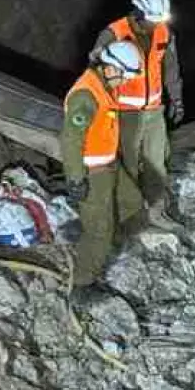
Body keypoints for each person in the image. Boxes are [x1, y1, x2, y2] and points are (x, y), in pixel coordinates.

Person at [88, 0, 184, 231]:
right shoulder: (114, 33)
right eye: (153, 19)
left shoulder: (164, 33)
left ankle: (156, 211)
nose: (157, 25)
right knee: (126, 164)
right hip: (123, 112)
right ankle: (126, 216)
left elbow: (171, 68)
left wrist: (176, 98)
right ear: (138, 12)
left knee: (156, 161)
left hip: (153, 109)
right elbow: (97, 71)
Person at [61, 40, 146, 287]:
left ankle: (108, 242)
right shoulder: (86, 95)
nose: (125, 82)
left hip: (109, 164)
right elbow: (70, 139)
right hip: (92, 171)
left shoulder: (104, 87)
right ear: (110, 68)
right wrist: (76, 178)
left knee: (132, 202)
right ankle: (81, 284)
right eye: (124, 77)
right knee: (99, 232)